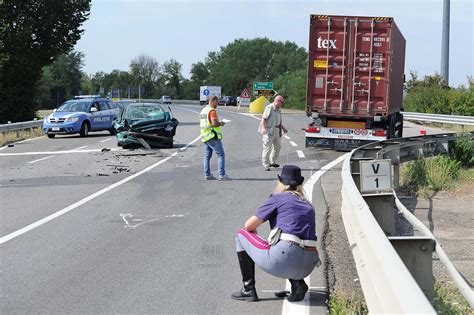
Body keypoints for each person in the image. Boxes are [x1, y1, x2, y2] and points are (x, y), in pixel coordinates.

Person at [231, 165, 320, 302]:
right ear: (300, 184)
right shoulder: (307, 204)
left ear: (281, 182)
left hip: (285, 258)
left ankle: (248, 289)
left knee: (242, 234)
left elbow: (249, 225)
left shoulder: (278, 198)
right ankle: (297, 284)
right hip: (309, 263)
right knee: (293, 239)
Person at [199, 95, 230, 180]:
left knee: (207, 156)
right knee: (221, 155)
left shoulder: (203, 110)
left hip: (205, 136)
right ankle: (222, 175)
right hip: (212, 136)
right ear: (212, 101)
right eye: (217, 102)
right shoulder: (212, 111)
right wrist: (221, 123)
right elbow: (214, 123)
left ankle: (207, 174)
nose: (218, 104)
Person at [259, 95, 288, 171]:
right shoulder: (269, 108)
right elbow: (264, 119)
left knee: (277, 147)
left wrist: (283, 128)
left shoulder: (279, 109)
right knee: (267, 148)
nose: (282, 104)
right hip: (269, 131)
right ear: (278, 101)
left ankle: (272, 161)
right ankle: (266, 164)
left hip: (277, 131)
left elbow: (278, 121)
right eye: (281, 102)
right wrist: (263, 128)